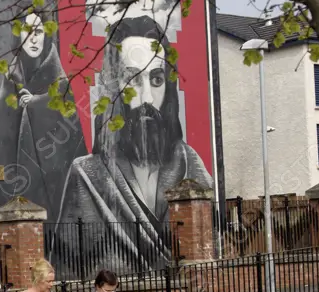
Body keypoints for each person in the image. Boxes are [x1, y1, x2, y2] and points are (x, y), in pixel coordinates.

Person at [54, 15, 213, 274]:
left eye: (157, 79)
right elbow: (65, 275)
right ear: (114, 86)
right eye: (134, 80)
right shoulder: (87, 176)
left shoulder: (190, 165)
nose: (147, 97)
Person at [0, 10, 86, 225]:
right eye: (27, 30)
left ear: (46, 36)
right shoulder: (11, 79)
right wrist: (0, 186)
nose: (33, 38)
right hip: (17, 191)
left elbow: (72, 139)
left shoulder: (60, 82)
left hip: (53, 190)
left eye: (39, 31)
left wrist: (36, 105)